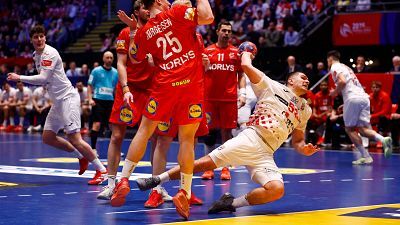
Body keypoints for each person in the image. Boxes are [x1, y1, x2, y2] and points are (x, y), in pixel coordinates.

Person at [135, 51, 319, 215]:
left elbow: (298, 141)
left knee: (276, 189)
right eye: (302, 77)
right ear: (291, 81)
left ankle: (231, 203)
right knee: (204, 163)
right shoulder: (272, 86)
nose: (307, 80)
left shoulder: (305, 110)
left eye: (308, 79)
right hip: (252, 138)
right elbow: (246, 65)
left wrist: (304, 149)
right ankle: (157, 179)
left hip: (266, 153)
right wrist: (246, 51)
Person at [110, 0, 214, 220]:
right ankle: (184, 192)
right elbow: (208, 16)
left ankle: (124, 179)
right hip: (190, 87)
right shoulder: (177, 13)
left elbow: (136, 56)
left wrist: (134, 30)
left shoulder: (144, 32)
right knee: (187, 139)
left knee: (144, 132)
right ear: (159, 2)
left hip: (164, 87)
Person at [7, 25, 107, 179]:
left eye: (41, 36)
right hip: (57, 102)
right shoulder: (36, 55)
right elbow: (46, 81)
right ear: (31, 40)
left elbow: (43, 78)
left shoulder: (50, 53)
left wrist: (19, 77)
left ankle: (102, 171)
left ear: (45, 37)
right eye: (36, 37)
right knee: (48, 137)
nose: (39, 39)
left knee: (75, 138)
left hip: (68, 99)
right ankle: (80, 157)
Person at [96, 0, 157, 201]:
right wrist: (125, 88)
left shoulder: (156, 31)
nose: (149, 11)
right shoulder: (124, 33)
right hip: (128, 88)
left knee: (156, 138)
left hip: (150, 90)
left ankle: (157, 188)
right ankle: (111, 183)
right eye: (145, 8)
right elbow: (121, 64)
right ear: (137, 11)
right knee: (116, 136)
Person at [327, 50, 392, 164]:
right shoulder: (346, 67)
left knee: (349, 129)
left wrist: (334, 92)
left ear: (330, 59)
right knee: (362, 129)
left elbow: (342, 82)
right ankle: (383, 139)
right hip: (363, 98)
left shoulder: (334, 66)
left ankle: (366, 156)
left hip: (353, 98)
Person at [201, 21, 246, 180]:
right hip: (210, 99)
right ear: (218, 32)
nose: (227, 33)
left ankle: (225, 167)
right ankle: (209, 167)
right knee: (209, 134)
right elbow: (200, 73)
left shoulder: (236, 53)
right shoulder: (207, 51)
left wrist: (243, 93)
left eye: (229, 31)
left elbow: (241, 75)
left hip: (228, 99)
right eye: (224, 30)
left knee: (227, 133)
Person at [87, 51, 118, 162]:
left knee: (112, 126)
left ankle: (114, 149)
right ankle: (93, 149)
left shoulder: (116, 72)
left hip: (110, 101)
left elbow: (116, 89)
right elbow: (90, 86)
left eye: (111, 57)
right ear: (103, 59)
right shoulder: (96, 71)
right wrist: (90, 99)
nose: (109, 59)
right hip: (98, 100)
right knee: (97, 124)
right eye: (107, 57)